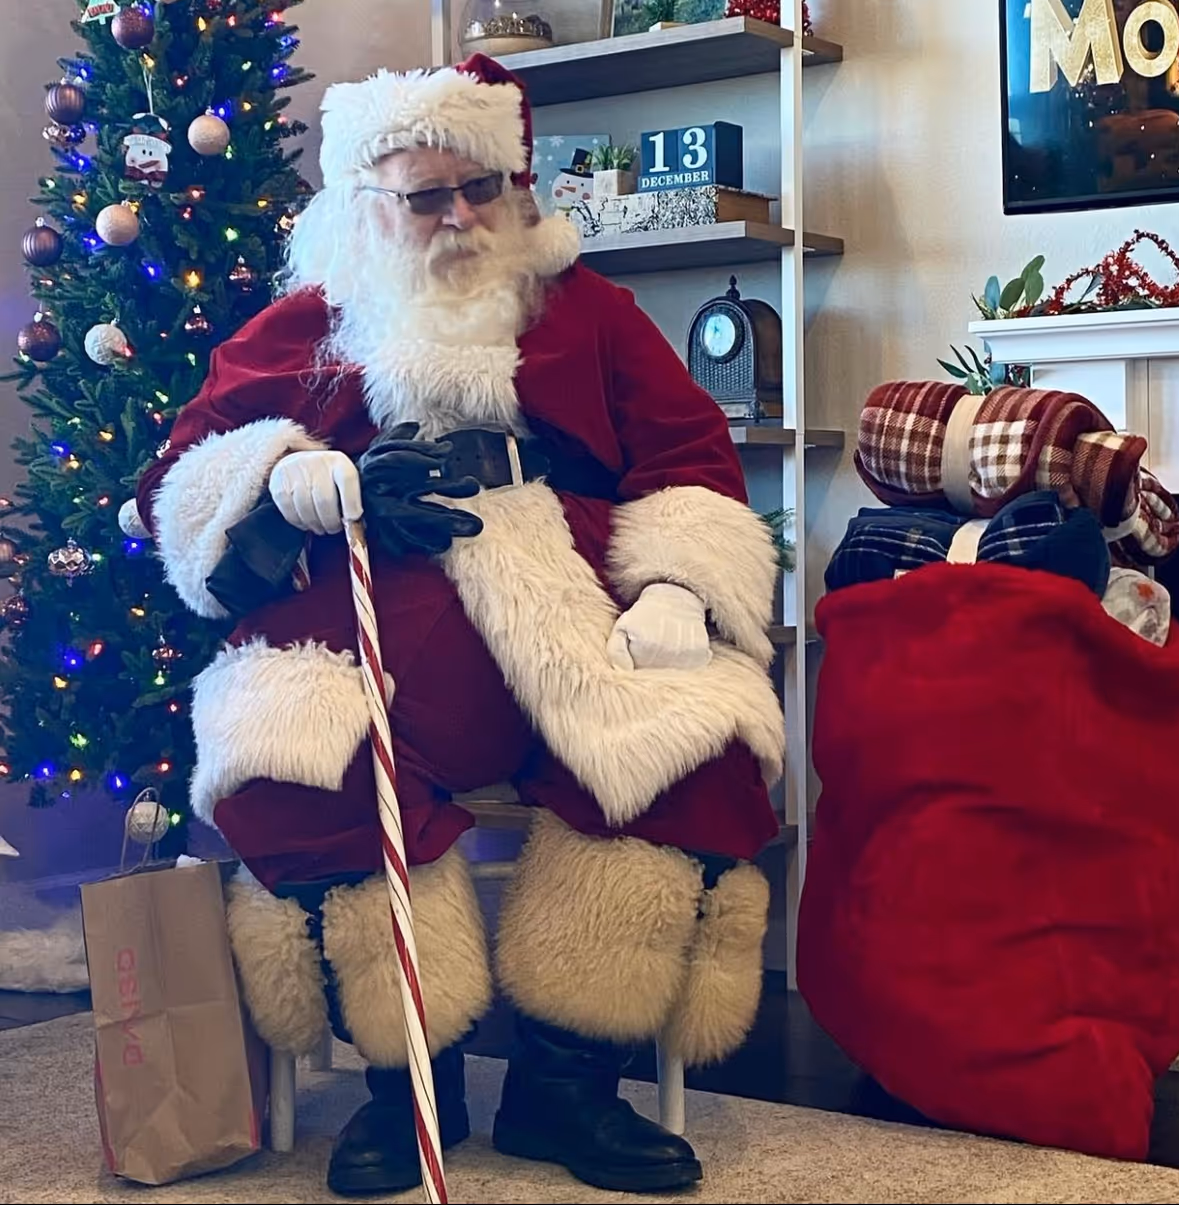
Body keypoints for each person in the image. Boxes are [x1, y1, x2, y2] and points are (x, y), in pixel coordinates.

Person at [134, 52, 784, 1197]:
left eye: (481, 186)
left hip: (576, 613)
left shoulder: (590, 312)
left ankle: (566, 1084)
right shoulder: (305, 324)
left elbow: (692, 456)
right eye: (426, 195)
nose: (461, 216)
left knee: (703, 742)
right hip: (360, 620)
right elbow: (178, 481)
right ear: (364, 205)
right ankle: (408, 1080)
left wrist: (681, 584)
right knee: (290, 764)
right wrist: (288, 481)